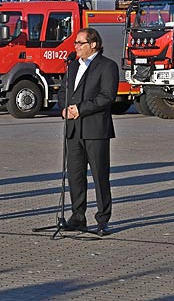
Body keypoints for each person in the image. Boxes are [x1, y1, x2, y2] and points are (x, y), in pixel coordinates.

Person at [57, 27, 118, 236]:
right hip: (73, 130)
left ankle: (103, 219)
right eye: (75, 43)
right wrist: (64, 108)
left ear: (93, 44)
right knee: (75, 175)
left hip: (95, 130)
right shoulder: (73, 65)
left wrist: (80, 109)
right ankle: (78, 216)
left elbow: (107, 96)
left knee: (100, 176)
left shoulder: (107, 66)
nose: (76, 47)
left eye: (80, 43)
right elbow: (64, 90)